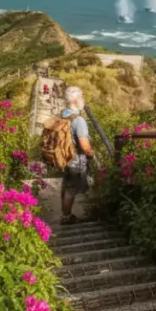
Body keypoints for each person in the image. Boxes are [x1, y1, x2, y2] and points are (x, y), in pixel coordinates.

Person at [60, 86, 93, 224]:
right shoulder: (79, 120)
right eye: (81, 97)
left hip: (64, 156)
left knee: (66, 185)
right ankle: (66, 217)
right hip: (76, 160)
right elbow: (84, 146)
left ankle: (65, 213)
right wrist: (91, 154)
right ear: (74, 101)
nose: (83, 100)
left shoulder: (64, 114)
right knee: (72, 189)